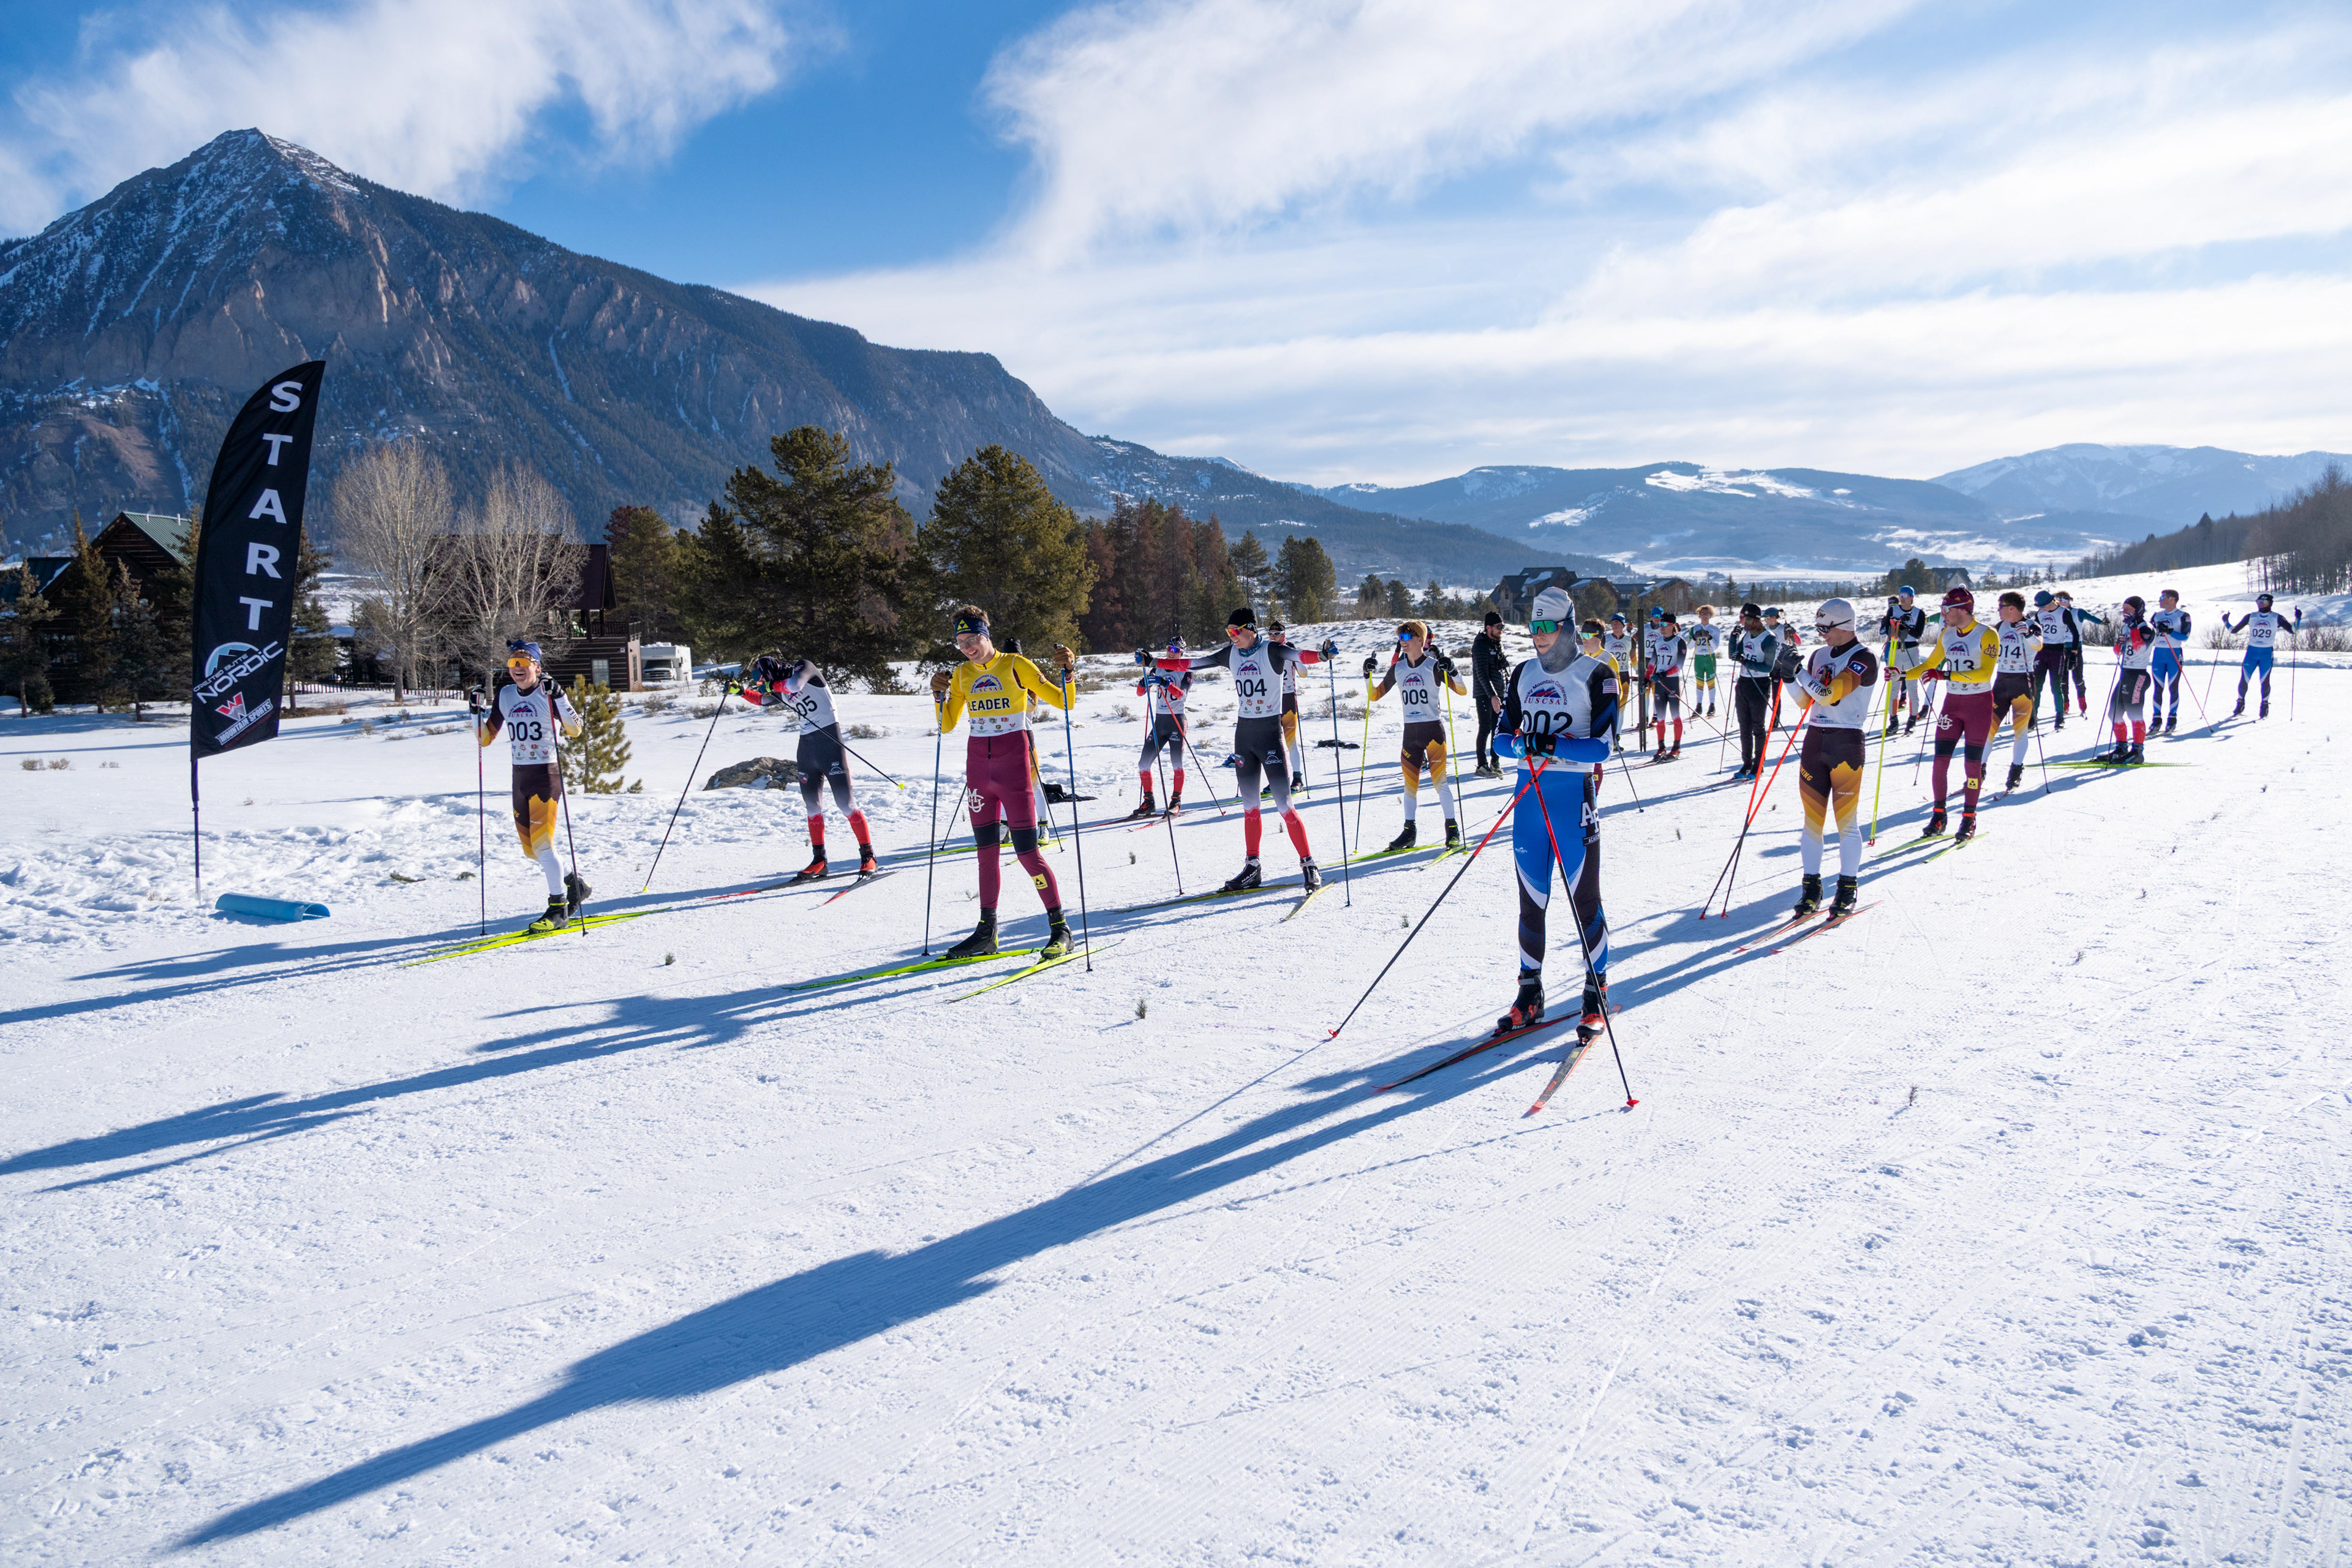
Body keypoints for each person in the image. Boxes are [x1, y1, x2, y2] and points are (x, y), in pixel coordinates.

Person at [1492, 586, 1618, 1041]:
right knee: (1531, 900)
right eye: (1533, 627)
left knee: (1585, 900)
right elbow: (1500, 740)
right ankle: (1529, 994)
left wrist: (1550, 744)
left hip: (1572, 800)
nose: (1539, 635)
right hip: (1529, 800)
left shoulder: (1597, 675)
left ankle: (1595, 995)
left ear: (1567, 626)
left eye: (1547, 626)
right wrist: (1522, 744)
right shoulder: (1523, 674)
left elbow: (1602, 746)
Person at [1152, 607, 1335, 892]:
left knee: (1285, 805)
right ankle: (1252, 867)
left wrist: (1323, 655)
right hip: (1244, 736)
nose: (1232, 636)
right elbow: (1193, 663)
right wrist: (1154, 661)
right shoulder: (1231, 654)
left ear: (1250, 628)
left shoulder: (1272, 650)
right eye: (1228, 632)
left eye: (1236, 631)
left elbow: (1300, 656)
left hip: (1269, 735)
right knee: (1250, 807)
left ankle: (1309, 864)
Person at [929, 606, 1077, 960]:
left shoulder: (1015, 664)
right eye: (961, 642)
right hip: (979, 770)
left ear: (986, 635)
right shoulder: (962, 674)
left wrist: (1069, 672)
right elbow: (946, 724)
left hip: (1014, 768)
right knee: (986, 855)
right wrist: (938, 697)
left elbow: (1065, 702)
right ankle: (986, 933)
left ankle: (1060, 929)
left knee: (1028, 854)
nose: (968, 647)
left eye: (973, 639)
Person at [470, 638, 587, 932]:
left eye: (523, 663)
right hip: (520, 776)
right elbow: (485, 738)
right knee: (532, 851)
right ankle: (576, 884)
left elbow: (575, 730)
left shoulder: (548, 691)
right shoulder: (506, 694)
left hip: (546, 775)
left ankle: (558, 909)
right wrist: (475, 713)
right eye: (512, 663)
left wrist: (561, 697)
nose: (517, 668)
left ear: (537, 666)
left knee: (544, 846)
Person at [734, 654, 878, 880]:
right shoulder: (779, 687)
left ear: (770, 671)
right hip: (807, 748)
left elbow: (794, 685)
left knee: (846, 804)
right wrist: (741, 691)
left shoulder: (804, 668)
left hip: (829, 743)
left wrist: (771, 686)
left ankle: (868, 856)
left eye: (761, 678)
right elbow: (762, 700)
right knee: (813, 807)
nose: (761, 683)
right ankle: (819, 861)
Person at [1788, 599, 1878, 918]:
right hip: (1815, 741)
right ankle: (1811, 888)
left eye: (1825, 628)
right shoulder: (1819, 655)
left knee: (1846, 824)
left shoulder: (1864, 658)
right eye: (1818, 628)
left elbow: (1828, 695)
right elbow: (1806, 702)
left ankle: (1847, 887)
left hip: (1846, 743)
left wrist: (1799, 672)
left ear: (1844, 625)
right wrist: (1788, 677)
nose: (1821, 634)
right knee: (1811, 823)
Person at [1896, 587, 2000, 840]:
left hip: (1978, 705)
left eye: (1946, 609)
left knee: (1972, 765)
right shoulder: (1947, 633)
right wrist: (1902, 674)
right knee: (1940, 762)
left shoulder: (1987, 634)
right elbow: (1929, 665)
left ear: (1962, 610)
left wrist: (1945, 675)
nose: (1943, 614)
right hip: (1952, 705)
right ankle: (1939, 815)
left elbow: (1985, 674)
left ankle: (1969, 818)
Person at [1365, 619, 1468, 850]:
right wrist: (1366, 675)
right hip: (1410, 734)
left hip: (1433, 732)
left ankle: (1452, 829)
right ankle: (1409, 832)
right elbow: (1374, 696)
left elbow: (1462, 690)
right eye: (1400, 638)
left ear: (1420, 640)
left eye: (1406, 638)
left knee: (1440, 783)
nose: (1402, 642)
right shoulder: (1398, 669)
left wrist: (1453, 670)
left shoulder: (1434, 666)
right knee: (1409, 786)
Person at [1130, 636, 1192, 817]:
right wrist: (1143, 684)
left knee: (1177, 763)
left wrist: (1165, 683)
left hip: (1177, 721)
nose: (1172, 653)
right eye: (1169, 649)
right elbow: (1140, 693)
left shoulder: (1186, 670)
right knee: (1143, 763)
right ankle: (1148, 802)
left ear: (1182, 653)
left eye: (1176, 651)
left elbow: (1182, 695)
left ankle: (1176, 801)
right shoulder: (1158, 667)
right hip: (1160, 722)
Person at [1989, 592, 2042, 794]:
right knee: (1989, 729)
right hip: (2001, 681)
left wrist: (2027, 635)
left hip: (2023, 682)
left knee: (2020, 731)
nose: (1998, 610)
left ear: (2011, 608)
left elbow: (2039, 645)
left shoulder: (2032, 625)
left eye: (2001, 606)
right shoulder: (2000, 626)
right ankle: (1980, 769)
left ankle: (2016, 769)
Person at [2099, 596, 2158, 763]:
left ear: (2138, 610)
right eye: (2123, 609)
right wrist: (2119, 644)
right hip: (2125, 674)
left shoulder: (2146, 628)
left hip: (2138, 675)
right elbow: (2118, 652)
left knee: (2134, 714)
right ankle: (2121, 748)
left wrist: (2133, 628)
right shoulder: (2126, 627)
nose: (2124, 612)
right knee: (2114, 713)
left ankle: (2138, 751)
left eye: (2128, 609)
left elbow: (2140, 649)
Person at [2223, 592, 2302, 718]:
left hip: (2266, 653)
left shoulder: (2277, 618)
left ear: (2270, 603)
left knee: (2265, 681)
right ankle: (2240, 703)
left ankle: (2264, 706)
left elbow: (2293, 631)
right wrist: (2226, 621)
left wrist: (2298, 619)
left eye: (2264, 602)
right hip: (2252, 653)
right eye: (2259, 602)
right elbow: (2234, 631)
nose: (2261, 604)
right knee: (2244, 679)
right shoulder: (2251, 617)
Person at [1729, 603, 1779, 779]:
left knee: (1758, 728)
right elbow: (1733, 655)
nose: (1742, 622)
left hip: (1759, 685)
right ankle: (1746, 764)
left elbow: (1768, 667)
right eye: (1741, 618)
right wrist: (1733, 639)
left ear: (1755, 620)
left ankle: (1758, 765)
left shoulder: (1769, 639)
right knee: (1744, 728)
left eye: (1744, 619)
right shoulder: (1748, 635)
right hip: (1743, 684)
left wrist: (1745, 662)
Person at [1879, 588, 1928, 736]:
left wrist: (1904, 627)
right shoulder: (1893, 611)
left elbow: (1918, 634)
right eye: (1901, 596)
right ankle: (1893, 721)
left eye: (1905, 596)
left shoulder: (1919, 613)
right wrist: (1893, 627)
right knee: (1893, 687)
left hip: (1911, 650)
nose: (1902, 598)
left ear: (1912, 597)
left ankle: (1912, 721)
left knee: (1912, 687)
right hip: (1895, 649)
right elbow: (1888, 630)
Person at [1268, 621, 1310, 792]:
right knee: (1272, 744)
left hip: (1288, 700)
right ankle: (1278, 779)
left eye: (1277, 634)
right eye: (1270, 634)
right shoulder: (1266, 652)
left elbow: (1304, 674)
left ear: (1284, 635)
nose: (1273, 637)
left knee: (1290, 741)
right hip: (1271, 701)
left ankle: (1298, 778)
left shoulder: (1289, 651)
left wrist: (1295, 657)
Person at [2028, 590, 2076, 731]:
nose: (2041, 608)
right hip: (2041, 652)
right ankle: (2033, 717)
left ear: (2049, 602)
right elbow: (2035, 630)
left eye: (2042, 606)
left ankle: (2059, 716)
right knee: (2037, 686)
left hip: (2057, 652)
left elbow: (2075, 633)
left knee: (2056, 686)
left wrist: (2073, 653)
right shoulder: (2040, 613)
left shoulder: (2064, 612)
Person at [1471, 610, 1510, 776]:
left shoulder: (1497, 644)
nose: (1501, 630)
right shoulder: (1480, 645)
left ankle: (1495, 762)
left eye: (1503, 626)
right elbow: (1482, 674)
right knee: (1486, 727)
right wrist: (1492, 695)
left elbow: (1499, 669)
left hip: (1499, 692)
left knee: (1497, 728)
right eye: (1498, 627)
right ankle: (1481, 765)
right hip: (1484, 693)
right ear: (1488, 627)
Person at [2148, 589, 2193, 733]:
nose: (2160, 600)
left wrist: (2169, 631)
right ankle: (2156, 720)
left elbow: (2185, 637)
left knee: (2173, 687)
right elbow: (2148, 634)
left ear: (2172, 599)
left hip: (2174, 653)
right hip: (2158, 654)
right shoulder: (2157, 615)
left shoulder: (2183, 616)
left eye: (2163, 597)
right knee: (2158, 688)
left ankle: (2172, 719)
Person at [1649, 611, 1689, 759]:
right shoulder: (1658, 641)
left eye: (1665, 624)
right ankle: (1661, 747)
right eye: (1661, 624)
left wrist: (1664, 674)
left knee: (1675, 716)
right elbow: (1652, 663)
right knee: (1660, 718)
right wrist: (1646, 679)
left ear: (1673, 626)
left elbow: (1680, 665)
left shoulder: (1679, 642)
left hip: (1672, 682)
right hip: (1659, 684)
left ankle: (1676, 747)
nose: (1662, 627)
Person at [2056, 592, 2102, 714]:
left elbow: (2092, 618)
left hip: (2075, 648)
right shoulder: (2056, 613)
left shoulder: (2078, 612)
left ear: (2066, 601)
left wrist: (2103, 622)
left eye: (2059, 601)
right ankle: (2065, 703)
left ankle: (2081, 699)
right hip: (2060, 647)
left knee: (2077, 677)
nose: (2057, 604)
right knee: (2063, 678)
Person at [1763, 607, 1803, 730]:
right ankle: (1762, 719)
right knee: (1766, 693)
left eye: (1768, 618)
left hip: (1781, 665)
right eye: (1766, 618)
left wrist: (1793, 633)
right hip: (1769, 664)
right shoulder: (1765, 629)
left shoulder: (1783, 629)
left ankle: (1776, 719)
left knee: (1778, 693)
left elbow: (1798, 642)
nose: (1767, 620)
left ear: (1774, 617)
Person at [1599, 614, 1634, 750]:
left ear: (1623, 625)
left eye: (1618, 623)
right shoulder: (1605, 638)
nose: (1615, 626)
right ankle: (1605, 736)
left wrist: (1642, 673)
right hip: (1608, 675)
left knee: (1621, 709)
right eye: (1613, 623)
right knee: (1607, 707)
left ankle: (1616, 738)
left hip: (1624, 676)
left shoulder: (1630, 640)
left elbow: (1634, 660)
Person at [1687, 604, 1722, 717]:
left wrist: (1709, 637)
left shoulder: (1715, 629)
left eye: (1707, 614)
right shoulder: (1694, 629)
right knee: (1699, 683)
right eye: (1702, 614)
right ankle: (1699, 706)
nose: (1705, 616)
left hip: (1710, 657)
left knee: (1711, 682)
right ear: (1699, 615)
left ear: (1711, 615)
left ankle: (1712, 705)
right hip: (1699, 658)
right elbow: (1689, 647)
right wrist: (1694, 637)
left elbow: (1716, 646)